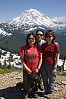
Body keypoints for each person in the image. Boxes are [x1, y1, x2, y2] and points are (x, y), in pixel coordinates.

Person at [20, 33, 42, 98]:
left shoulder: (38, 47)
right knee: (27, 82)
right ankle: (27, 92)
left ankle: (34, 92)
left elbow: (41, 59)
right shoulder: (23, 48)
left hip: (36, 69)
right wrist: (27, 69)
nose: (31, 40)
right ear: (27, 39)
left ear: (35, 39)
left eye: (33, 38)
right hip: (26, 69)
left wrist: (38, 68)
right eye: (29, 38)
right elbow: (22, 60)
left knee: (35, 81)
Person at [41, 30, 60, 99]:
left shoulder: (55, 45)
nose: (48, 37)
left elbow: (57, 56)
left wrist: (55, 67)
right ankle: (46, 91)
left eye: (50, 36)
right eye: (47, 36)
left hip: (52, 65)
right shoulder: (43, 45)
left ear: (53, 37)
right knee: (45, 79)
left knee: (52, 79)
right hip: (44, 64)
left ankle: (50, 92)